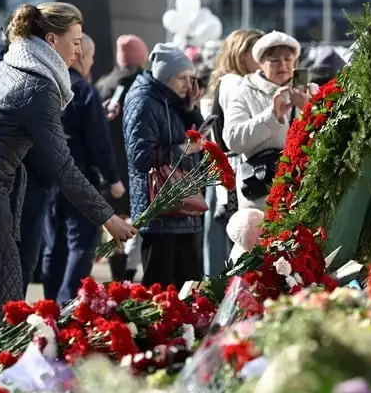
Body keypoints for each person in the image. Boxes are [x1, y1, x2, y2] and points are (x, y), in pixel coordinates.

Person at [0, 2, 136, 369]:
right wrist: (107, 218)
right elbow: (62, 165)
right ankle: (3, 374)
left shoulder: (4, 68)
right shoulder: (39, 86)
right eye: (75, 41)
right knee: (2, 290)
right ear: (51, 40)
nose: (79, 51)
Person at [0, 13, 55, 293]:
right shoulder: (12, 63)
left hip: (8, 173)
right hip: (20, 173)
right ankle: (8, 325)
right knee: (17, 261)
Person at [42, 33, 124, 304]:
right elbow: (99, 141)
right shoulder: (84, 90)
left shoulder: (50, 85)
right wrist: (113, 178)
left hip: (50, 177)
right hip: (80, 177)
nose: (91, 62)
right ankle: (67, 304)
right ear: (79, 55)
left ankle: (50, 304)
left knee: (54, 245)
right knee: (82, 243)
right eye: (90, 56)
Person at [123, 43, 203, 289]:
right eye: (182, 78)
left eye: (191, 78)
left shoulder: (175, 100)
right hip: (158, 213)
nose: (187, 85)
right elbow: (140, 156)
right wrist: (180, 150)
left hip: (183, 207)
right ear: (164, 76)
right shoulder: (144, 101)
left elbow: (193, 133)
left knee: (190, 289)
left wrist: (192, 110)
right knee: (160, 290)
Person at [223, 30, 308, 210]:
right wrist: (271, 117)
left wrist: (307, 107)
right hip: (262, 194)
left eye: (288, 59)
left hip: (303, 192)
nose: (282, 65)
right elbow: (232, 139)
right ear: (260, 63)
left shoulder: (309, 91)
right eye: (275, 60)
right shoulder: (244, 93)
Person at [201, 29, 263, 276]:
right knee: (236, 235)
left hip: (224, 169)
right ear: (240, 54)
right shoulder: (237, 83)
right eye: (256, 52)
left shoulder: (225, 81)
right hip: (236, 170)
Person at [95, 34, 148, 283]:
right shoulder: (143, 85)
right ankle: (129, 272)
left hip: (107, 166)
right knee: (139, 221)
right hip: (135, 165)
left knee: (113, 221)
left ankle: (117, 273)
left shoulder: (102, 84)